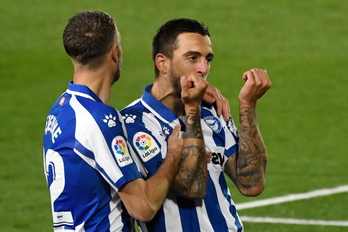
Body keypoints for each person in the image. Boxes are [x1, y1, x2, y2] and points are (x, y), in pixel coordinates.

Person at [120, 18, 271, 232]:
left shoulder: (212, 112)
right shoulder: (133, 124)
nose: (203, 68)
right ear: (162, 63)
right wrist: (191, 107)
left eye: (207, 59)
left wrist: (248, 105)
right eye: (192, 58)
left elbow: (252, 184)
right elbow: (193, 188)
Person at [42, 10, 185, 232]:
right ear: (115, 53)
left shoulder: (60, 109)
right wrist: (175, 154)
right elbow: (143, 208)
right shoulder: (100, 121)